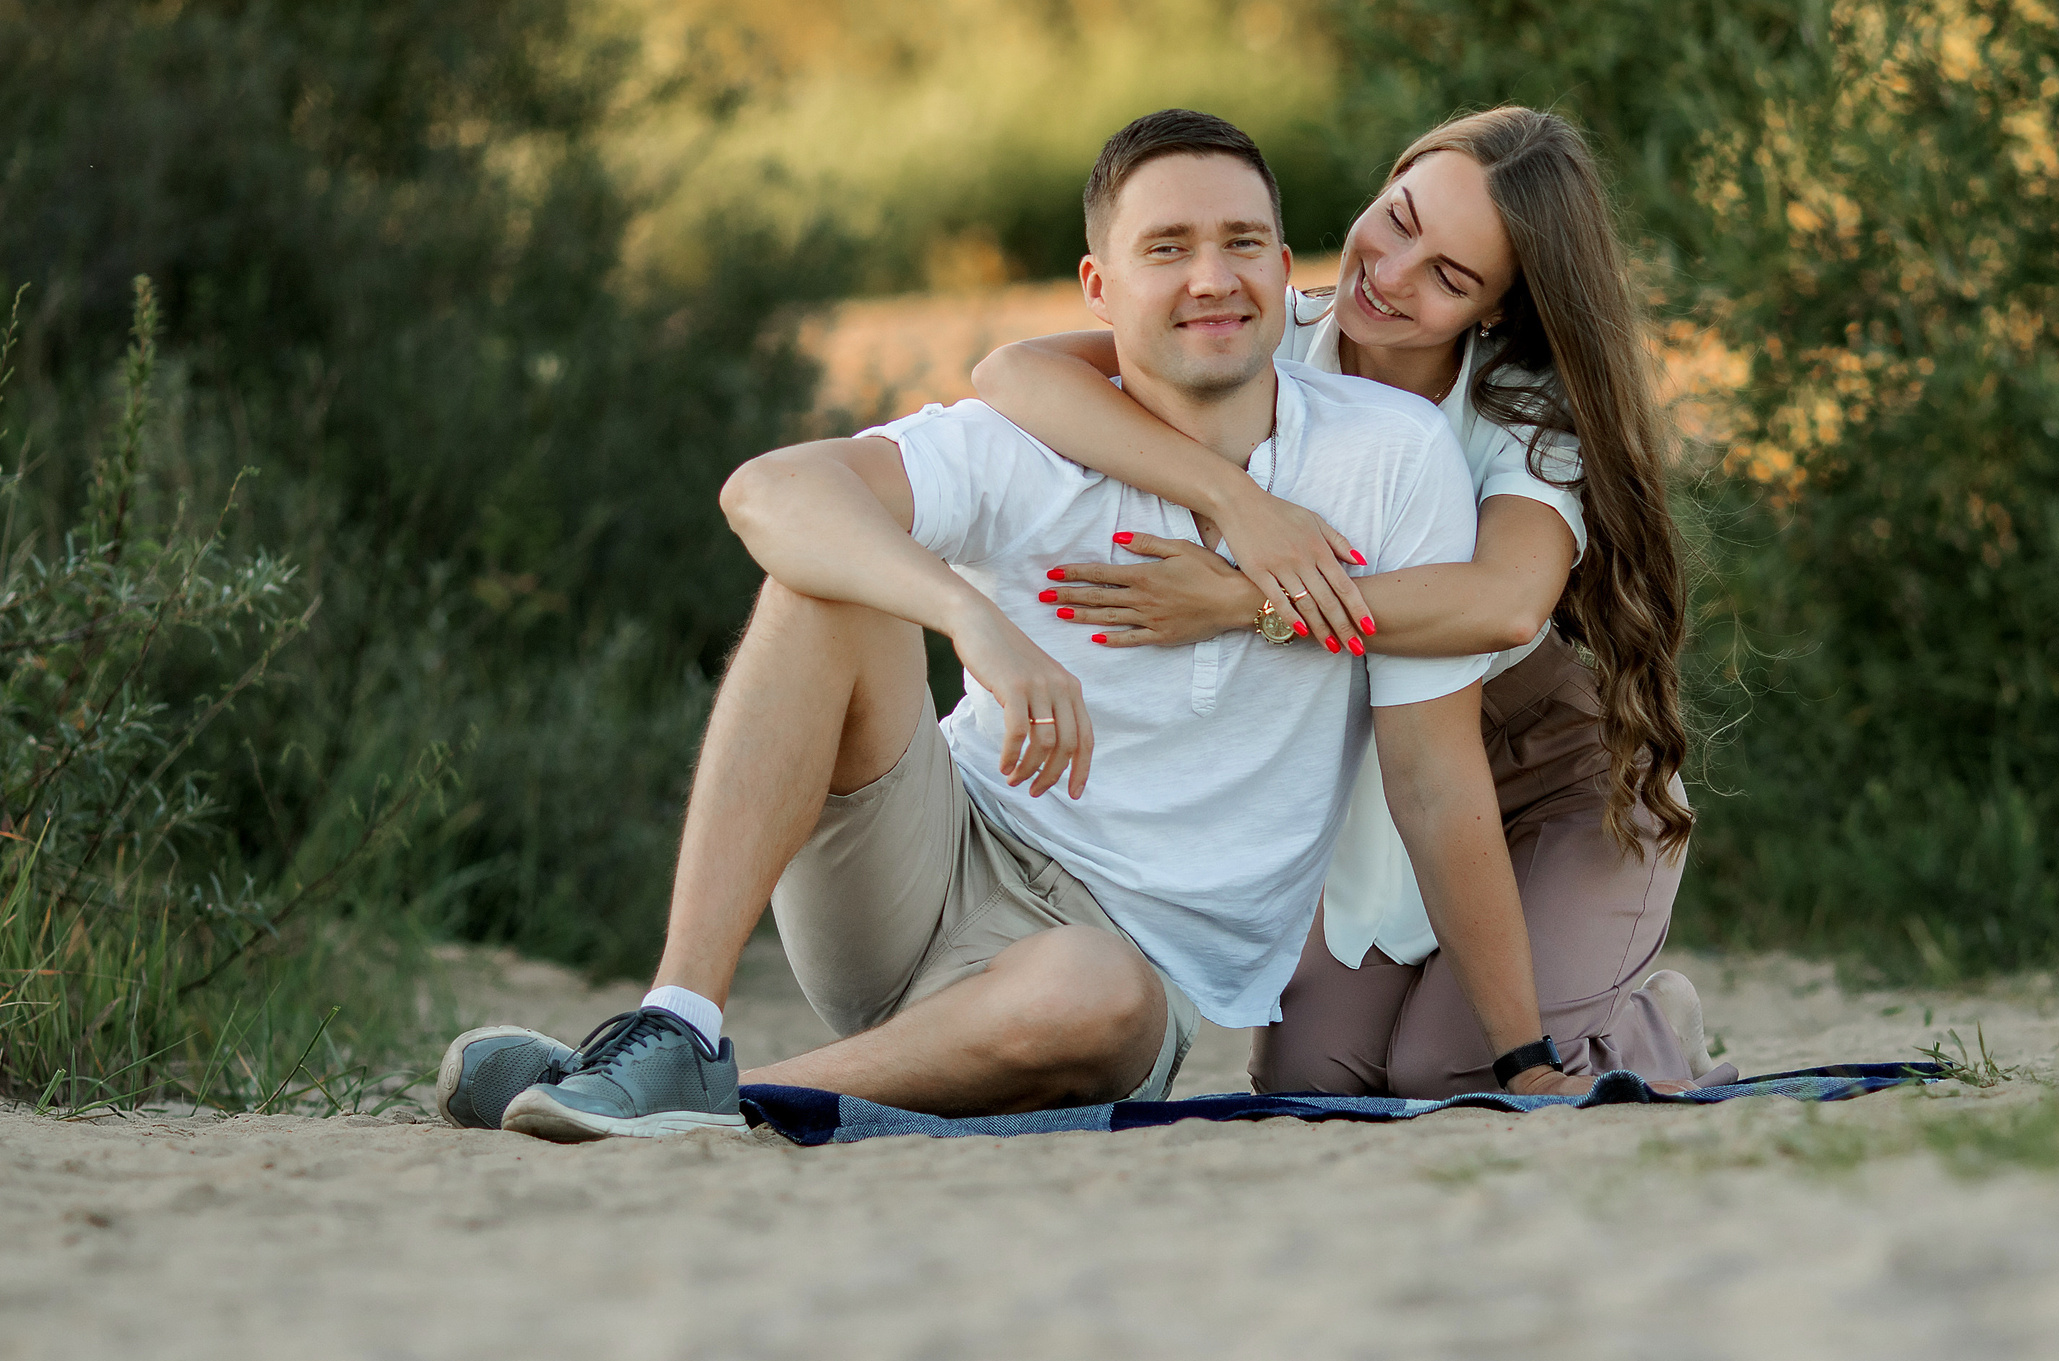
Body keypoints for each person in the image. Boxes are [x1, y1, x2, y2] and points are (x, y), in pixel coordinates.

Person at [434, 108, 1602, 1141]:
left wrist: (1523, 1057)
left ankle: (704, 1096)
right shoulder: (1037, 429)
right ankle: (675, 1022)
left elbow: (1439, 775)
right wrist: (965, 617)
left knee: (1098, 997)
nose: (1213, 277)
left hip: (1114, 970)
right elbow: (769, 491)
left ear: (1278, 264)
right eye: (1167, 249)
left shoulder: (1401, 463)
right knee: (826, 575)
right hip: (923, 865)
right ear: (1099, 291)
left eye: (1241, 243)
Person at [970, 106, 1723, 1099]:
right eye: (1398, 219)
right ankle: (1504, 986)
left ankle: (1647, 1026)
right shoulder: (1270, 334)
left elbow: (1501, 602)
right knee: (1317, 1083)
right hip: (1383, 779)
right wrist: (1235, 502)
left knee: (1456, 1071)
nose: (1391, 273)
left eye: (1450, 276)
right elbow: (1010, 374)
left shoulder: (1523, 413)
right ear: (1387, 179)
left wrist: (1247, 601)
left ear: (1496, 308)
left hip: (1550, 776)